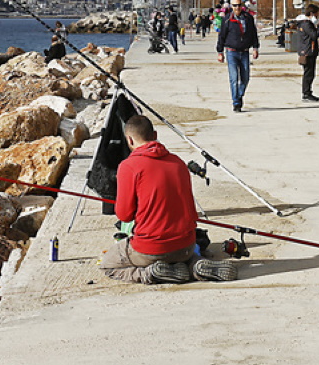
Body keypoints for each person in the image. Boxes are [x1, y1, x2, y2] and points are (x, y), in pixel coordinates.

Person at [99, 115, 237, 284]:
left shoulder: (128, 166)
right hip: (186, 246)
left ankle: (150, 273)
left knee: (107, 265)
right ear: (155, 135)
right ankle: (194, 266)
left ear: (129, 139)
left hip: (150, 249)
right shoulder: (178, 163)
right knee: (181, 253)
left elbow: (124, 215)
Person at [216, 0, 260, 112]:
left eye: (239, 5)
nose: (237, 8)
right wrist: (220, 52)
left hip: (244, 52)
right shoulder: (227, 19)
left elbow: (253, 33)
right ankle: (236, 103)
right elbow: (222, 36)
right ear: (231, 6)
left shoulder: (248, 18)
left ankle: (239, 95)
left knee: (245, 78)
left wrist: (255, 48)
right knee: (234, 78)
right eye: (235, 6)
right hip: (231, 52)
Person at [293, 3, 319, 102]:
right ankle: (306, 93)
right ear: (311, 14)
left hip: (308, 50)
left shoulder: (304, 23)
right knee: (308, 74)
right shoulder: (306, 24)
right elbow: (314, 36)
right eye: (316, 14)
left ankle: (308, 92)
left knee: (310, 73)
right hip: (308, 51)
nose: (317, 16)